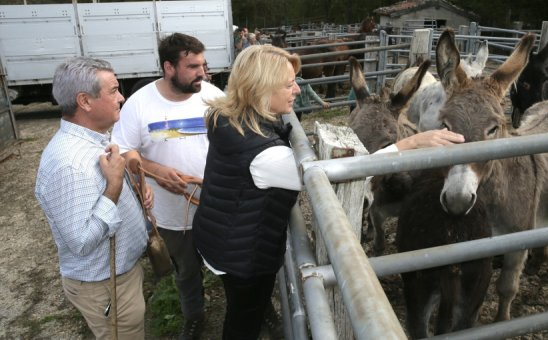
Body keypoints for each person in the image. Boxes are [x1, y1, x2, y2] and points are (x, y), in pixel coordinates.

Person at [192, 45, 464, 340]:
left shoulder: (232, 119)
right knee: (242, 322)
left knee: (242, 307)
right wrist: (409, 144)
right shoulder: (265, 156)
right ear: (261, 88)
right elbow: (332, 176)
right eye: (288, 84)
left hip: (221, 238)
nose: (297, 89)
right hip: (243, 255)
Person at [111, 32, 225, 340]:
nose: (202, 72)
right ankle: (194, 317)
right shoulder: (138, 104)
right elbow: (123, 151)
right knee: (186, 271)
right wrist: (157, 170)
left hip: (216, 206)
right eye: (192, 66)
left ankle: (249, 310)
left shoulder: (214, 97)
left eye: (203, 64)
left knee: (229, 262)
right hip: (171, 214)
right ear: (169, 67)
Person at [35, 56, 151, 339]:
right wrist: (113, 188)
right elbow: (81, 242)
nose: (121, 97)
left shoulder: (94, 139)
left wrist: (133, 193)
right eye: (113, 91)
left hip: (117, 278)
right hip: (105, 286)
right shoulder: (69, 164)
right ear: (85, 101)